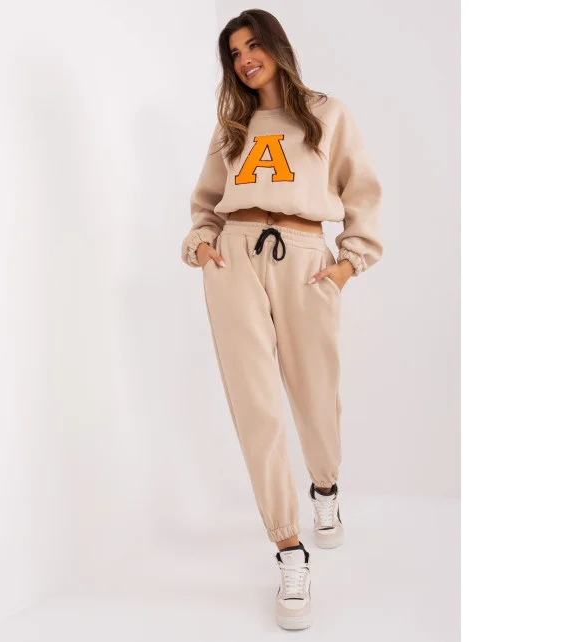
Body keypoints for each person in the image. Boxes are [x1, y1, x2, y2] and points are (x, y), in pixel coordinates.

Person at [180, 9, 383, 630]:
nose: (245, 59)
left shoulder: (327, 113)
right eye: (233, 53)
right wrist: (204, 246)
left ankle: (325, 488)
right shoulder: (232, 128)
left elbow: (361, 192)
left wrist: (347, 264)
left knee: (315, 391)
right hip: (235, 258)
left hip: (305, 258)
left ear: (276, 46)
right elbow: (206, 204)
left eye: (252, 45)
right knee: (256, 404)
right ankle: (288, 549)